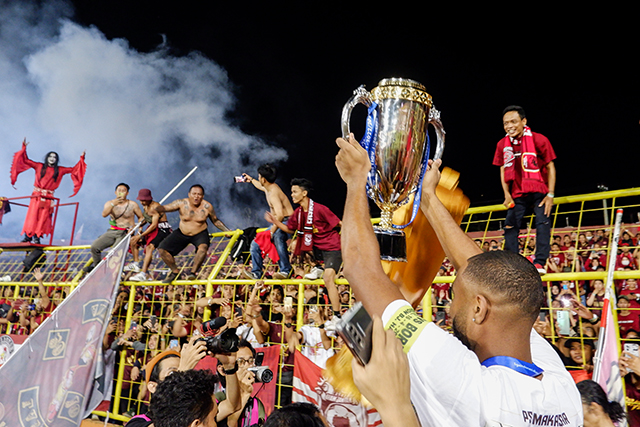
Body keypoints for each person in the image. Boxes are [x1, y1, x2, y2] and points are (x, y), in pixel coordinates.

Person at [334, 133, 582, 426]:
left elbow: (360, 267)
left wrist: (355, 181)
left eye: (454, 298)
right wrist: (428, 200)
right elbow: (483, 271)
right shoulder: (560, 384)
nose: (449, 311)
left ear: (479, 309)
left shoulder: (462, 379)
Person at [492, 106, 556, 274]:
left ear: (524, 121)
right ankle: (515, 263)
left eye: (513, 121)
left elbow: (550, 166)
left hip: (538, 189)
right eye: (506, 123)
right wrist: (506, 194)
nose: (509, 126)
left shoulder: (539, 139)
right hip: (517, 193)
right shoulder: (502, 144)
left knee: (542, 221)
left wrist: (550, 194)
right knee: (510, 226)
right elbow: (502, 169)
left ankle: (540, 262)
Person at [265, 178, 341, 316]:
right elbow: (290, 229)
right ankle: (317, 266)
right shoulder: (298, 213)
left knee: (328, 278)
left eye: (295, 192)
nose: (292, 195)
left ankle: (337, 315)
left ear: (304, 193)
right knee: (296, 243)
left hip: (332, 248)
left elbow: (339, 224)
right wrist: (275, 221)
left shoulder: (320, 209)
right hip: (317, 250)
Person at [10, 139, 86, 244]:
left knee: (43, 217)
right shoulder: (39, 166)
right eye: (50, 156)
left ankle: (37, 237)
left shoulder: (60, 170)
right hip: (36, 196)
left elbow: (74, 169)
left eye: (54, 157)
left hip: (48, 197)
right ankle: (28, 236)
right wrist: (24, 148)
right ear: (47, 158)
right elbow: (26, 160)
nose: (52, 158)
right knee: (33, 215)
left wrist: (82, 158)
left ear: (56, 159)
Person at [156, 184, 230, 283]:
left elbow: (215, 220)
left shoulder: (207, 207)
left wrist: (226, 230)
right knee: (162, 249)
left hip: (199, 233)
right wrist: (155, 208)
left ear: (202, 196)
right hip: (182, 232)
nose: (196, 196)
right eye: (194, 194)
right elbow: (166, 208)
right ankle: (175, 272)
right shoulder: (182, 203)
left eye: (199, 194)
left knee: (203, 248)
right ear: (189, 194)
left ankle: (193, 273)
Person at [242, 164, 295, 279]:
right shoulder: (269, 187)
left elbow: (280, 215)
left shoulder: (273, 193)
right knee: (255, 244)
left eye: (259, 176)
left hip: (287, 222)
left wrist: (271, 232)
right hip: (278, 222)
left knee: (277, 236)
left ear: (264, 179)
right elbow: (260, 186)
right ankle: (256, 272)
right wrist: (250, 180)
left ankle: (286, 270)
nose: (258, 178)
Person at [86, 183, 143, 273]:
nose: (121, 192)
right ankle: (97, 268)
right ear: (115, 192)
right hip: (113, 230)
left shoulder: (133, 204)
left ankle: (112, 272)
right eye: (119, 190)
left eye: (123, 191)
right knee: (94, 247)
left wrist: (138, 230)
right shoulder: (109, 203)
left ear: (127, 193)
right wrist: (113, 204)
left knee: (114, 253)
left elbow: (141, 217)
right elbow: (104, 214)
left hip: (126, 232)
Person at [128, 189, 173, 282]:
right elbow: (147, 218)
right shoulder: (145, 206)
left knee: (149, 247)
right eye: (140, 200)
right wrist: (138, 226)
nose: (141, 202)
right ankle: (136, 263)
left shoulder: (155, 207)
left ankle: (143, 274)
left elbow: (154, 225)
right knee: (133, 241)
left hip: (162, 229)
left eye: (143, 200)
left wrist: (140, 235)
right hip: (153, 228)